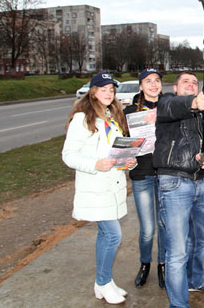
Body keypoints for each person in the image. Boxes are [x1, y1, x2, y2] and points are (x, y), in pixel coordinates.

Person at [62, 72, 136, 305]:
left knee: (106, 235)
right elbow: (68, 156)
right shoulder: (82, 118)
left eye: (111, 90)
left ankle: (103, 281)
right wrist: (94, 165)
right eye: (103, 89)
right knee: (113, 235)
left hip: (112, 185)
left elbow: (112, 151)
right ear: (93, 91)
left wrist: (127, 160)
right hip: (95, 187)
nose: (108, 93)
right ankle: (103, 282)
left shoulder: (111, 116)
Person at [154, 71, 204, 308]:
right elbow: (172, 108)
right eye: (186, 81)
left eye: (195, 82)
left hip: (203, 183)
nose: (191, 84)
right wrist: (193, 102)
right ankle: (178, 304)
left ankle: (195, 280)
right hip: (175, 183)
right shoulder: (167, 103)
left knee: (200, 240)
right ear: (175, 87)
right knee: (178, 250)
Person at [123, 68, 166, 289]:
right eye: (148, 81)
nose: (153, 85)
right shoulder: (131, 111)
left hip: (166, 174)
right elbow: (123, 142)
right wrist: (126, 159)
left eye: (157, 81)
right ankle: (145, 263)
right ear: (140, 86)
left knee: (164, 224)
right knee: (148, 228)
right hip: (142, 175)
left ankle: (162, 264)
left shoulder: (169, 107)